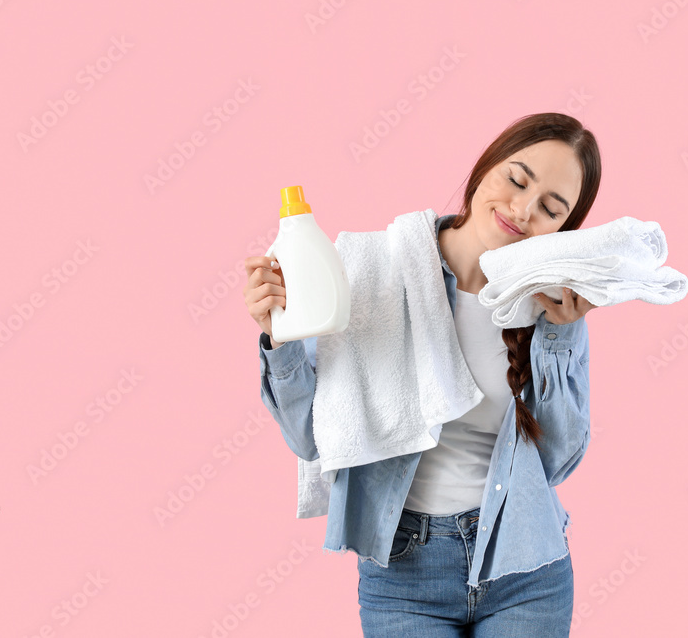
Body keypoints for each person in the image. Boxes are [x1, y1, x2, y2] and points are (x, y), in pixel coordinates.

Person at [243, 112, 600, 636]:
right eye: (517, 180)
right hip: (405, 574)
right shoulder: (376, 271)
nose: (523, 210)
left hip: (527, 566)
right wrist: (281, 335)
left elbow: (558, 460)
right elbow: (314, 437)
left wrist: (562, 335)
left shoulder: (550, 308)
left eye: (550, 208)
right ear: (484, 169)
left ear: (562, 229)